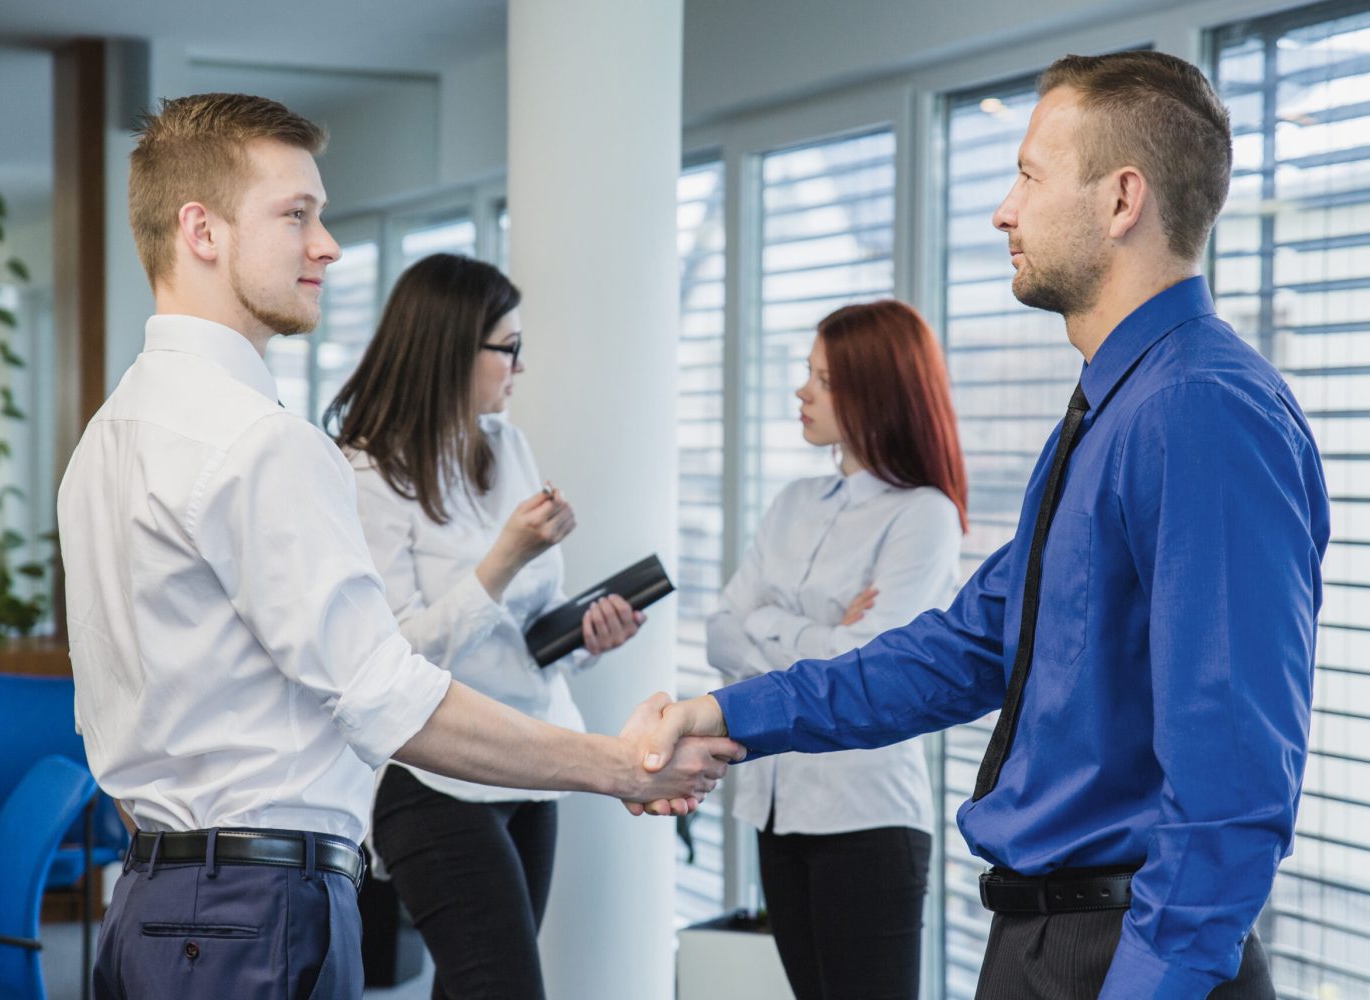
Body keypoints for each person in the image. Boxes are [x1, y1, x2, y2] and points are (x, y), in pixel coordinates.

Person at [636, 51, 1329, 1000]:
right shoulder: (1113, 411)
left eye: (1030, 177)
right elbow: (961, 650)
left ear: (1121, 200)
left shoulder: (1201, 411)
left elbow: (1232, 794)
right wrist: (727, 716)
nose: (1004, 210)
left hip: (1125, 952)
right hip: (1047, 940)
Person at [57, 93, 740, 1000]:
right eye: (296, 214)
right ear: (202, 231)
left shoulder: (107, 437)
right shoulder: (260, 443)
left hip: (153, 902)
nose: (328, 246)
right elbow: (386, 695)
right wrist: (620, 767)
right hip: (252, 908)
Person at [325, 252, 645, 1000]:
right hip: (432, 774)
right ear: (450, 349)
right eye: (509, 347)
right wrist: (503, 559)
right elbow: (391, 657)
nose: (520, 367)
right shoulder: (366, 474)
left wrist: (585, 637)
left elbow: (529, 620)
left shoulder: (506, 445)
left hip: (529, 758)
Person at [707, 298, 967, 1000]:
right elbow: (719, 632)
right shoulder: (793, 501)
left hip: (865, 816)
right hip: (775, 808)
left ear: (875, 390)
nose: (802, 392)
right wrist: (814, 635)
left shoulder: (924, 516)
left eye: (822, 379)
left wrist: (769, 620)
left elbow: (870, 670)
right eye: (808, 374)